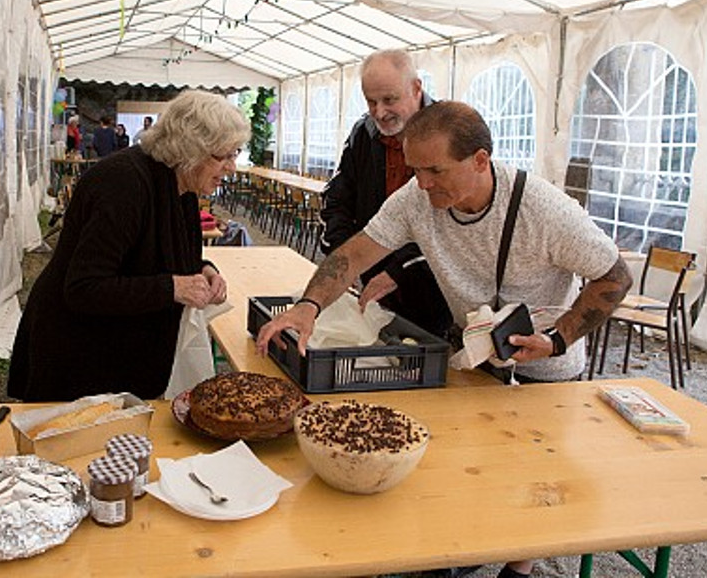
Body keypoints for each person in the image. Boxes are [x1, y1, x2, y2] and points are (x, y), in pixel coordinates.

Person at [258, 101, 632, 578]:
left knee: (532, 485)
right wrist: (308, 306)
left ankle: (517, 568)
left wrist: (558, 339)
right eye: (416, 169)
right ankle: (455, 556)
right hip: (478, 359)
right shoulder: (416, 199)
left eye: (435, 170)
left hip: (547, 369)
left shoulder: (545, 210)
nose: (423, 183)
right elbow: (352, 256)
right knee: (469, 473)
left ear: (480, 160)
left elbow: (614, 277)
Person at [8, 90, 250, 402]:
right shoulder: (122, 184)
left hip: (119, 352)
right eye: (223, 155)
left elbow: (173, 254)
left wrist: (204, 270)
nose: (231, 167)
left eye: (235, 153)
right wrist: (172, 288)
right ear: (191, 148)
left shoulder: (183, 186)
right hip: (79, 357)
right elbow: (84, 287)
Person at [321, 49, 451, 336]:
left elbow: (456, 219)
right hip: (370, 283)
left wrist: (397, 271)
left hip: (432, 292)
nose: (380, 112)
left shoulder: (449, 133)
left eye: (390, 100)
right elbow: (338, 201)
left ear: (416, 88)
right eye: (371, 101)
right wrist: (344, 262)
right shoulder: (364, 133)